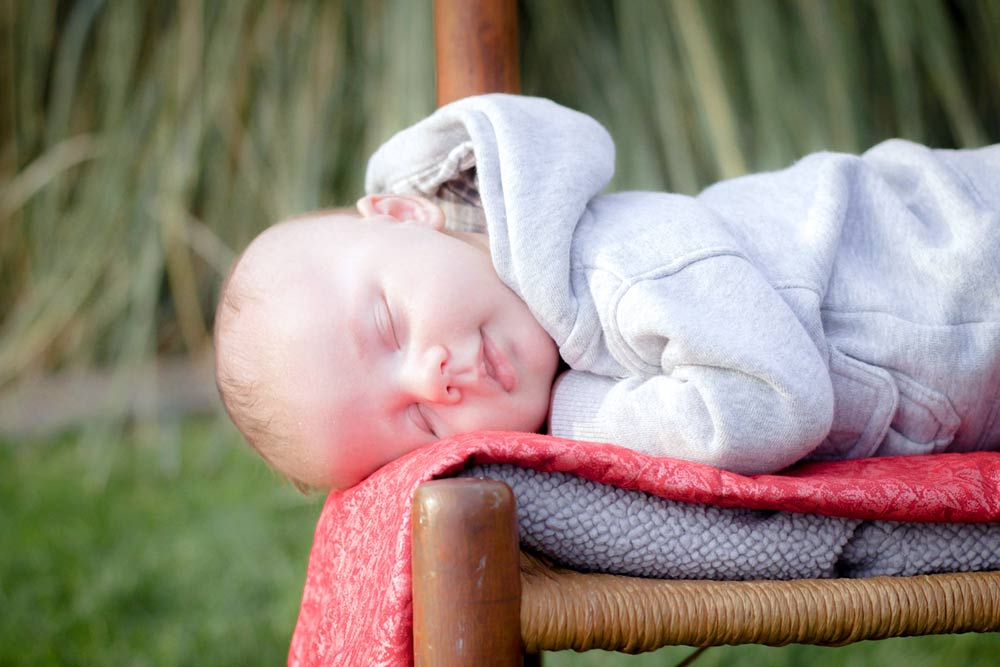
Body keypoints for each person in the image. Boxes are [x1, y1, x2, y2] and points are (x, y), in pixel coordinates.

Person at [214, 94, 1000, 491]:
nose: (434, 378)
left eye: (388, 323)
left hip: (962, 248)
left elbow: (775, 399)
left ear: (407, 215)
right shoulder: (564, 328)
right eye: (419, 424)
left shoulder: (613, 266)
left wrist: (572, 423)